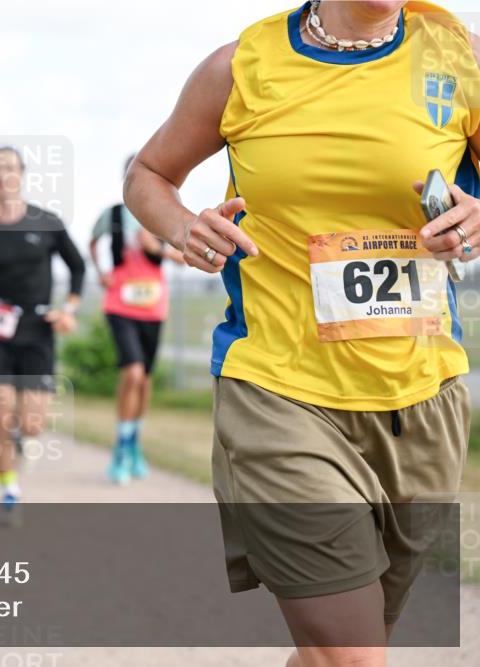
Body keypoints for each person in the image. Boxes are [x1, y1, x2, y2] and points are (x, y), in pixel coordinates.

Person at [123, 1, 478, 663]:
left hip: (421, 398)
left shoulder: (461, 58)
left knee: (341, 651)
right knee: (353, 654)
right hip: (278, 390)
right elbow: (147, 175)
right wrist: (183, 227)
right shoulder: (240, 67)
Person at [0, 146, 85, 518]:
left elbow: (77, 267)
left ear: (22, 173)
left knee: (31, 424)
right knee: (1, 410)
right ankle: (9, 489)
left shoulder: (47, 222)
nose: (1, 175)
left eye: (8, 168)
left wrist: (69, 310)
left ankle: (18, 440)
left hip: (37, 329)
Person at [90, 156, 184, 485]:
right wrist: (102, 272)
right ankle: (120, 446)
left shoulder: (163, 214)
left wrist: (158, 249)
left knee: (144, 379)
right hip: (119, 305)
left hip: (153, 307)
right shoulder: (113, 215)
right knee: (131, 373)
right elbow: (92, 241)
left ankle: (134, 445)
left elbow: (182, 255)